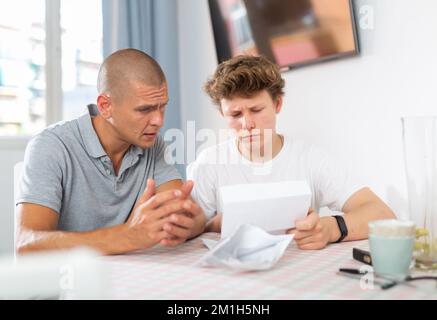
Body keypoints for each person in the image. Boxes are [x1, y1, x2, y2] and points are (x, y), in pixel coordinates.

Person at [187, 55, 395, 250]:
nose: (247, 124)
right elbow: (189, 231)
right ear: (222, 113)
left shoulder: (310, 160)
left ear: (277, 104)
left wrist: (331, 228)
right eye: (235, 114)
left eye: (256, 110)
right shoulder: (209, 163)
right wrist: (213, 225)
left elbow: (383, 215)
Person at [16, 48, 206, 255]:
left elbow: (189, 216)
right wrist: (129, 235)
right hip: (69, 281)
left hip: (128, 277)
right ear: (105, 106)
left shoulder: (152, 145)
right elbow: (27, 245)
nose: (159, 121)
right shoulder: (51, 146)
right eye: (145, 109)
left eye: (162, 107)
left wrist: (185, 224)